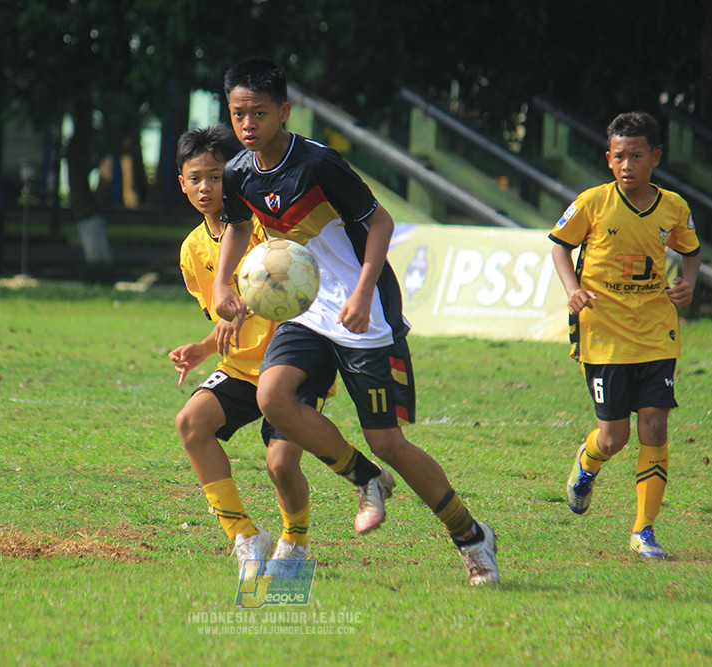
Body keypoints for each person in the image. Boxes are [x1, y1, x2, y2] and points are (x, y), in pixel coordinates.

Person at [211, 58, 499, 586]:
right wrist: (221, 283)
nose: (247, 124)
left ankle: (472, 535)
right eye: (237, 113)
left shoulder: (319, 165)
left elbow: (380, 221)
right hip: (310, 308)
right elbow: (235, 226)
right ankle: (364, 477)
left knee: (389, 440)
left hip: (364, 308)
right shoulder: (238, 173)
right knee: (272, 397)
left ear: (284, 112)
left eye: (258, 112)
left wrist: (365, 292)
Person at [168, 125, 321, 577]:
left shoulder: (261, 225)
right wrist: (200, 348)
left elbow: (295, 287)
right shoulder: (192, 251)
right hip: (240, 367)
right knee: (192, 423)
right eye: (195, 178)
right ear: (181, 182)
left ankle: (294, 541)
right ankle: (245, 536)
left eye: (215, 176)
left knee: (281, 463)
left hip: (290, 363)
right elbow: (226, 319)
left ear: (233, 175)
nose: (205, 187)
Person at [550, 111, 701, 559]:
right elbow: (560, 245)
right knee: (613, 437)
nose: (628, 165)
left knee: (654, 424)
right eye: (620, 157)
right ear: (608, 160)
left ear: (655, 157)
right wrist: (573, 289)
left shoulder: (674, 207)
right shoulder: (593, 202)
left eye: (637, 156)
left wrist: (687, 283)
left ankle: (643, 530)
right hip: (605, 331)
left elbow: (691, 252)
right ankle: (587, 463)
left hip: (656, 331)